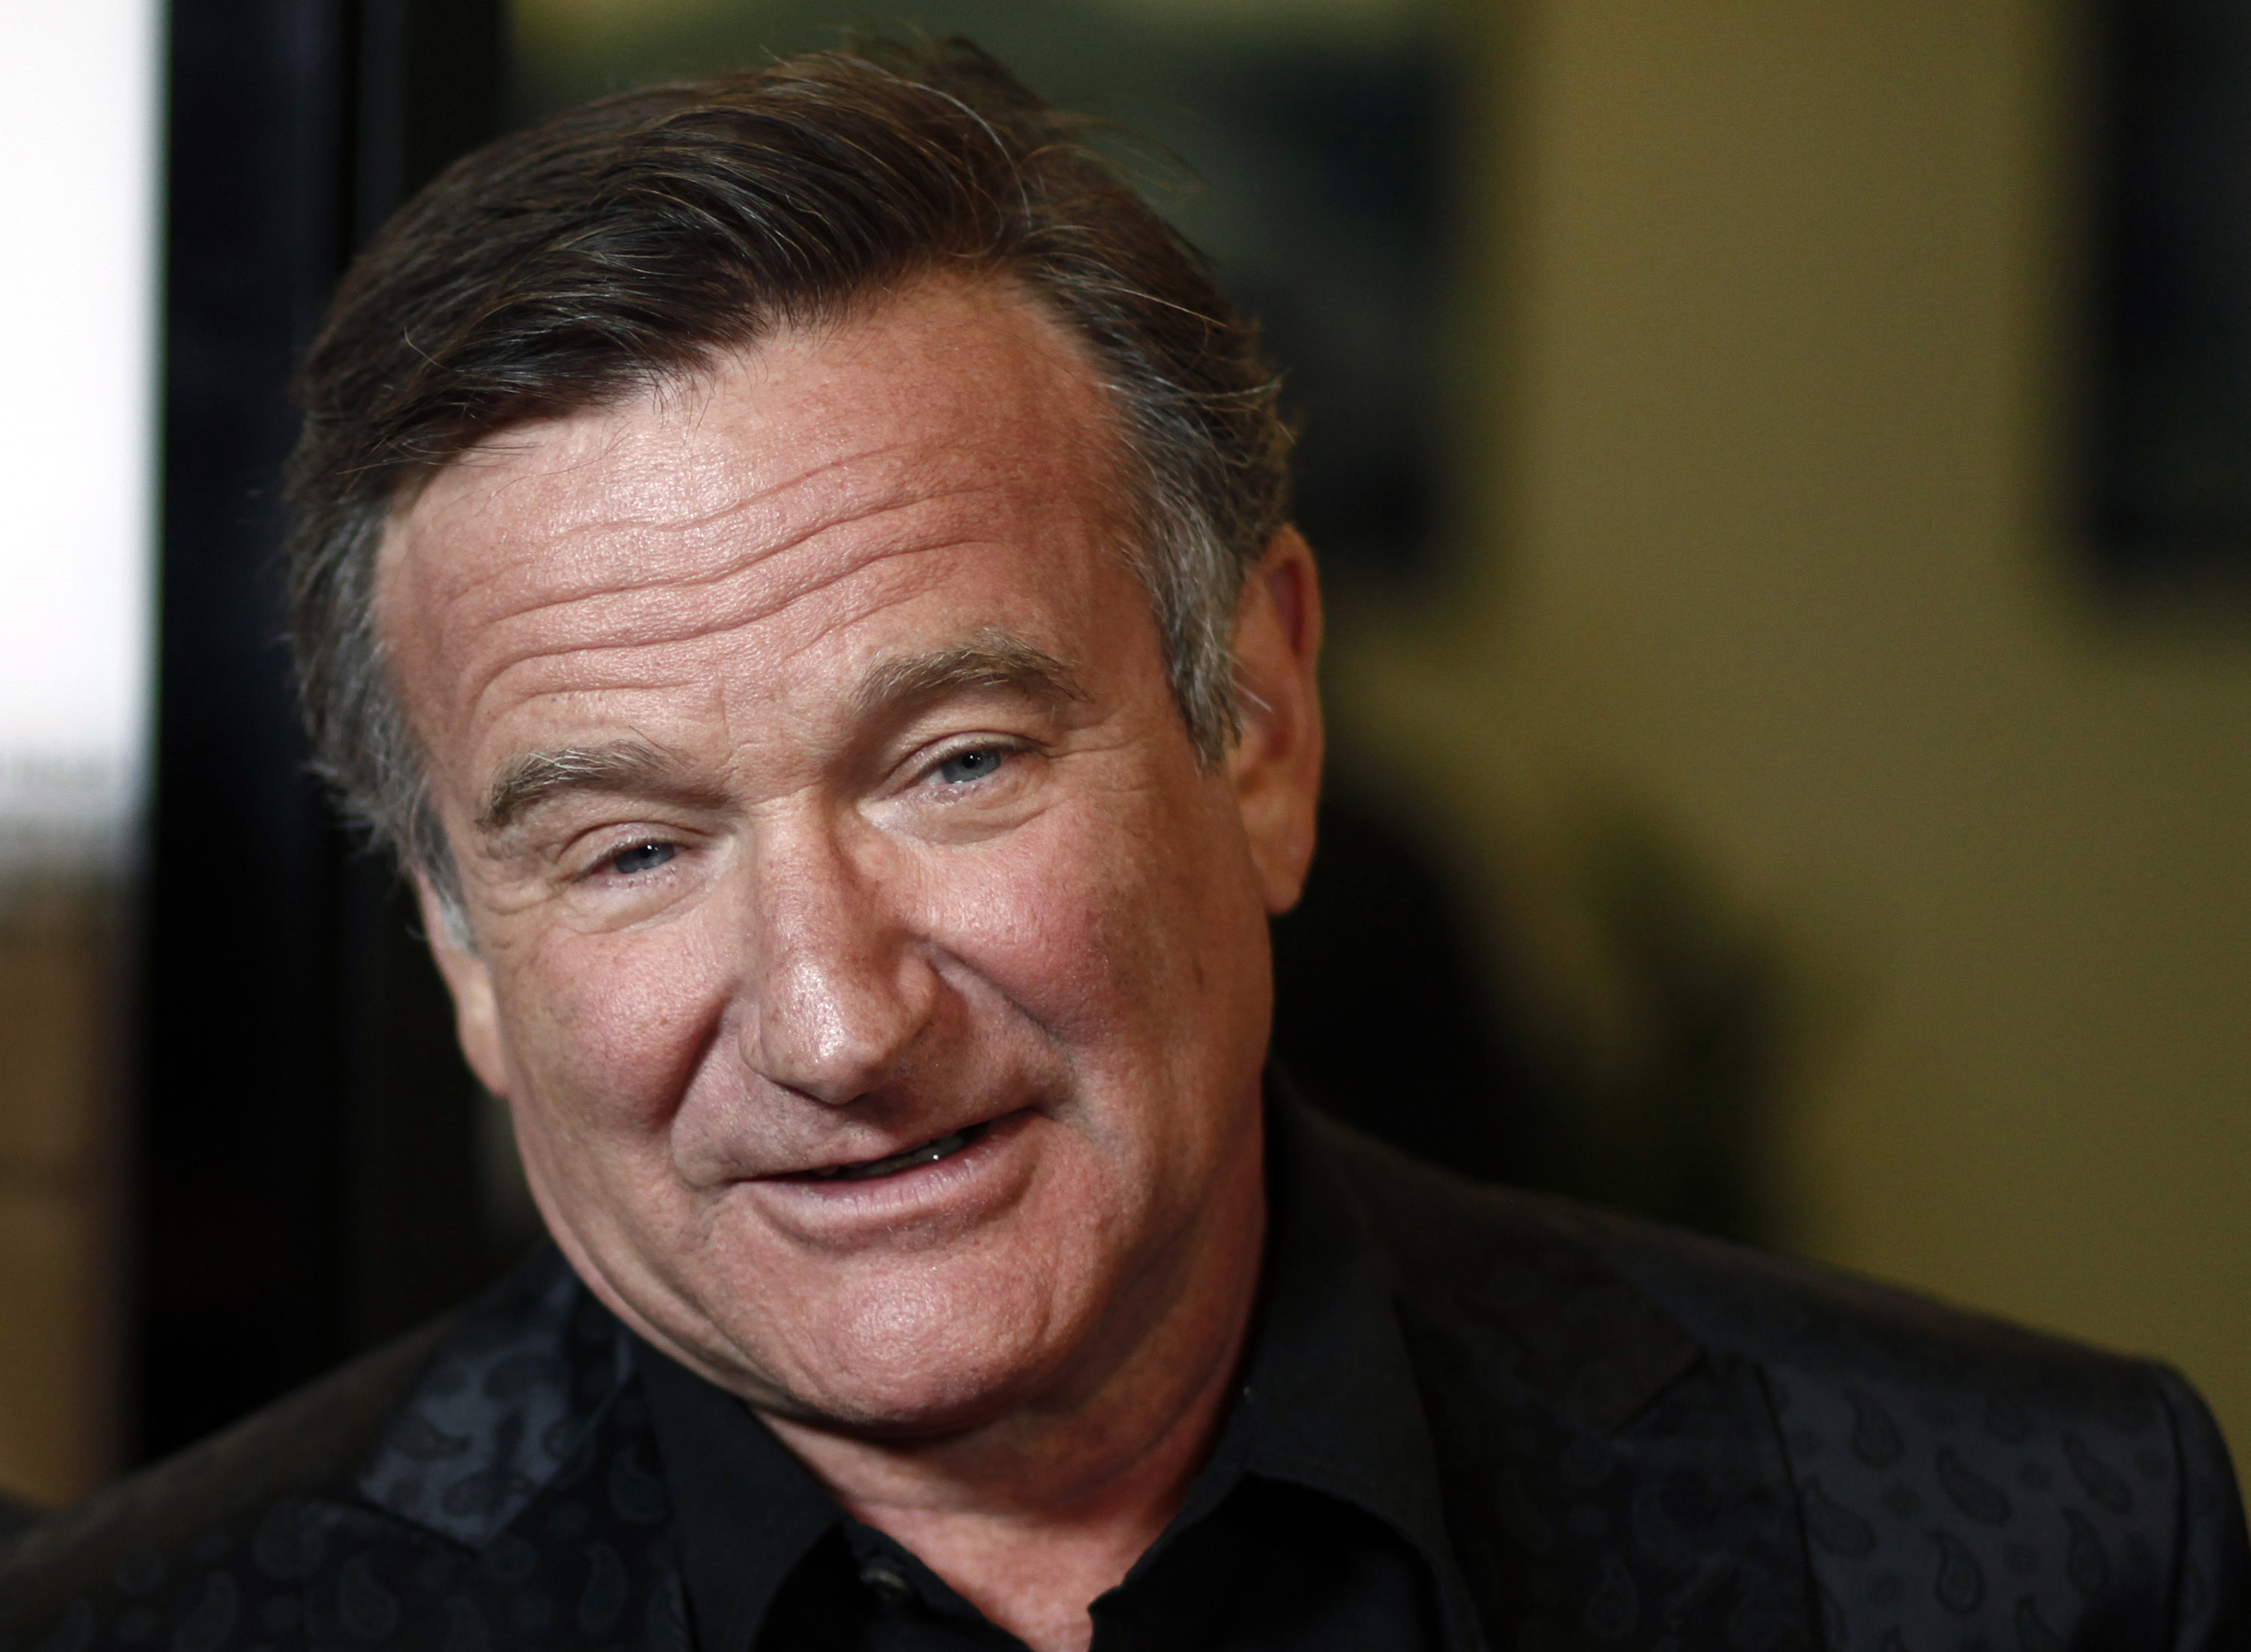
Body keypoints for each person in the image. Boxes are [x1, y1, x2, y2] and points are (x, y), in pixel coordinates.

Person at [2, 38, 2243, 1652]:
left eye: (956, 763)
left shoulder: (2019, 1556)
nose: (836, 1023)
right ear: (461, 953)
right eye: (628, 853)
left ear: (1259, 728)